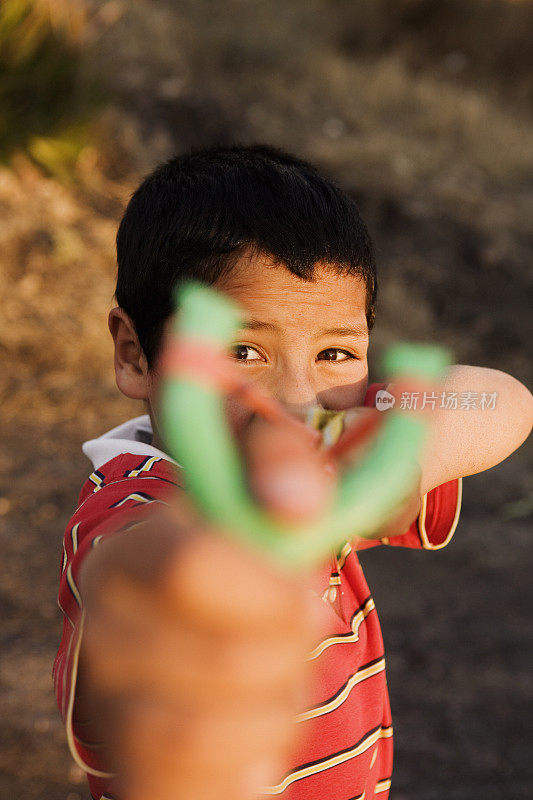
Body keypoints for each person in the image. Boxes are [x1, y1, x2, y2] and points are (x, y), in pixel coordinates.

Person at [54, 145, 532, 800]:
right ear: (135, 354)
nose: (296, 400)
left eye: (335, 352)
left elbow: (504, 399)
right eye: (243, 350)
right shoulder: (133, 499)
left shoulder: (337, 458)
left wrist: (408, 460)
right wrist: (192, 581)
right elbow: (133, 571)